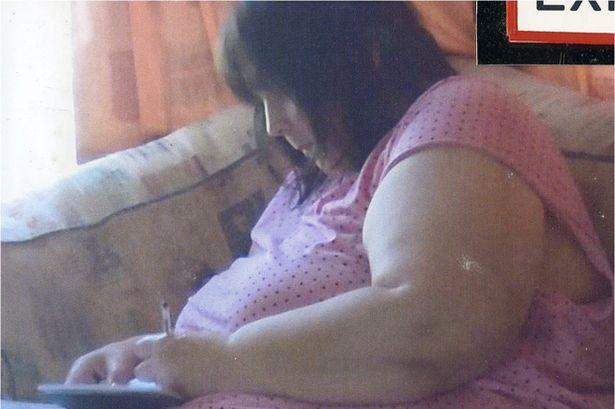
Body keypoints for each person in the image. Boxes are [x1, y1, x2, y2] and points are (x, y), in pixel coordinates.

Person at [65, 3, 613, 408]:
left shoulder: (462, 113)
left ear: (363, 56)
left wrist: (223, 361)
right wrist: (143, 358)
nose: (272, 126)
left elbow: (432, 329)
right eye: (259, 102)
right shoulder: (314, 186)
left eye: (283, 92)